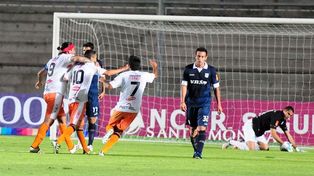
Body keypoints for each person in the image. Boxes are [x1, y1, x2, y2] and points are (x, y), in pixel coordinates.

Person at [54, 50, 129, 154]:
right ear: (93, 58)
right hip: (80, 100)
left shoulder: (75, 67)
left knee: (79, 125)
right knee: (74, 125)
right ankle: (58, 141)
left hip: (71, 98)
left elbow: (65, 78)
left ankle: (86, 149)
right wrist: (124, 68)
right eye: (95, 58)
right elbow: (108, 73)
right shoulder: (92, 66)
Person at [29, 42, 91, 153]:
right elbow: (77, 58)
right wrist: (89, 61)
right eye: (73, 49)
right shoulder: (65, 57)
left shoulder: (52, 60)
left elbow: (40, 73)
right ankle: (34, 146)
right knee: (49, 121)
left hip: (47, 92)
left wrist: (39, 82)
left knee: (61, 119)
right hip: (56, 93)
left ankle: (71, 147)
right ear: (68, 51)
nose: (74, 51)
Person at [99, 56, 158, 156]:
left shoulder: (124, 75)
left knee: (110, 126)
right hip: (134, 110)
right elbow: (155, 76)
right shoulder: (144, 75)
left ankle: (110, 131)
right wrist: (155, 67)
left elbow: (109, 86)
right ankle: (103, 151)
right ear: (139, 66)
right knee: (119, 132)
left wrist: (102, 81)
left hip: (121, 107)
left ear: (129, 65)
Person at [180, 47, 222, 159]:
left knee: (202, 127)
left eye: (203, 56)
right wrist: (182, 101)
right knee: (193, 130)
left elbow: (216, 88)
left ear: (206, 57)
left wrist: (219, 104)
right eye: (198, 56)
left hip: (204, 103)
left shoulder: (211, 70)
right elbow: (184, 86)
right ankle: (196, 151)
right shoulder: (188, 69)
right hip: (191, 103)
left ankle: (199, 153)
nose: (200, 58)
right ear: (195, 56)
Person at [222, 106, 303, 152]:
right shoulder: (277, 116)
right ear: (284, 111)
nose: (289, 116)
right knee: (251, 149)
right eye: (288, 114)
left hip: (259, 131)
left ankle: (242, 142)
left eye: (291, 116)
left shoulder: (283, 121)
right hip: (251, 126)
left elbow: (288, 135)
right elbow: (273, 134)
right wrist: (283, 143)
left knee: (265, 148)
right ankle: (231, 142)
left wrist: (296, 148)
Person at [81, 42, 105, 152]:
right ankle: (80, 143)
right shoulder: (80, 62)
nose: (84, 52)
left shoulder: (97, 63)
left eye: (86, 50)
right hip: (82, 94)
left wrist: (103, 90)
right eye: (83, 50)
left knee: (92, 119)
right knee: (79, 120)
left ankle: (90, 144)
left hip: (93, 94)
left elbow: (103, 77)